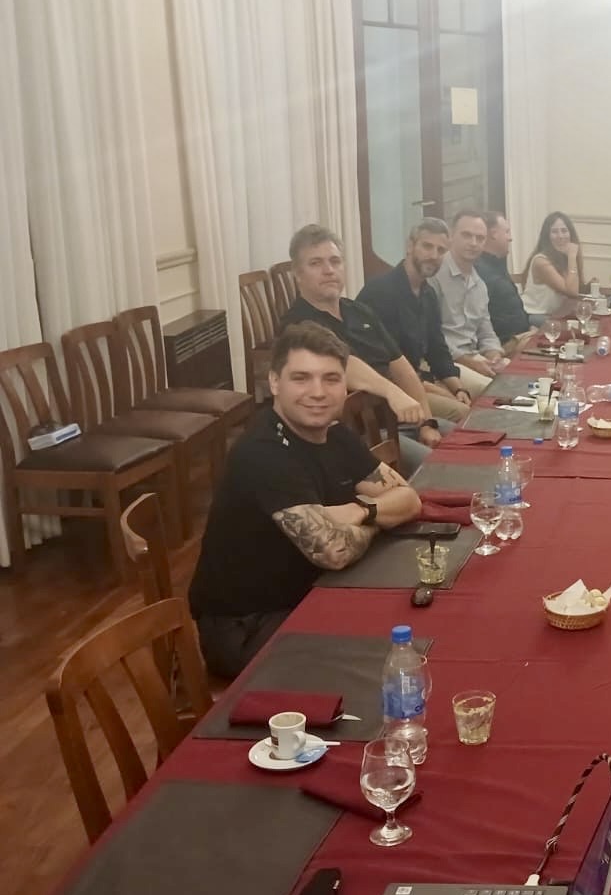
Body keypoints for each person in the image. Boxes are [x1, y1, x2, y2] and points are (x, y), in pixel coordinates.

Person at [188, 322, 421, 679]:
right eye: (301, 378)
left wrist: (361, 510)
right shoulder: (264, 453)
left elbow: (409, 499)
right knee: (386, 665)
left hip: (311, 592)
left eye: (331, 379)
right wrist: (376, 521)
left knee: (416, 626)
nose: (318, 392)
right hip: (248, 625)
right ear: (274, 382)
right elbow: (333, 551)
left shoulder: (335, 435)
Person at [278, 223, 439, 474]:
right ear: (298, 274)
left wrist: (427, 422)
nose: (329, 270)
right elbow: (344, 363)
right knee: (440, 468)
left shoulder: (360, 311)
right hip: (362, 435)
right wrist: (393, 393)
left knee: (468, 441)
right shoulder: (299, 324)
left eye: (335, 261)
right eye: (316, 263)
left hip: (402, 419)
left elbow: (402, 367)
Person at [357, 217, 474, 424]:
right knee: (464, 414)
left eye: (441, 250)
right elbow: (383, 362)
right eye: (427, 246)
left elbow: (437, 349)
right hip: (388, 394)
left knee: (471, 403)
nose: (434, 255)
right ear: (410, 246)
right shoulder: (380, 292)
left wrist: (458, 388)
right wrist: (431, 388)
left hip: (419, 381)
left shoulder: (428, 294)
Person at [431, 209, 508, 384]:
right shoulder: (434, 275)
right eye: (467, 235)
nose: (473, 243)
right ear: (451, 235)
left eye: (480, 238)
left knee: (517, 376)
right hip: (444, 361)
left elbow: (486, 333)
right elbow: (431, 336)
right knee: (495, 388)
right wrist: (470, 362)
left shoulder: (479, 285)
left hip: (475, 357)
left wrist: (494, 356)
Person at [474, 211, 531, 345]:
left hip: (522, 335)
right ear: (494, 234)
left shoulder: (498, 264)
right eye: (507, 232)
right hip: (506, 344)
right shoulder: (480, 271)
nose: (510, 238)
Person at [520, 211, 586, 327]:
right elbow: (572, 292)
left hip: (555, 314)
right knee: (575, 329)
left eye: (564, 231)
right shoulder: (541, 261)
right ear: (547, 236)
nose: (560, 236)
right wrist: (572, 257)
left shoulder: (562, 257)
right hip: (535, 315)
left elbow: (577, 288)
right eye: (554, 232)